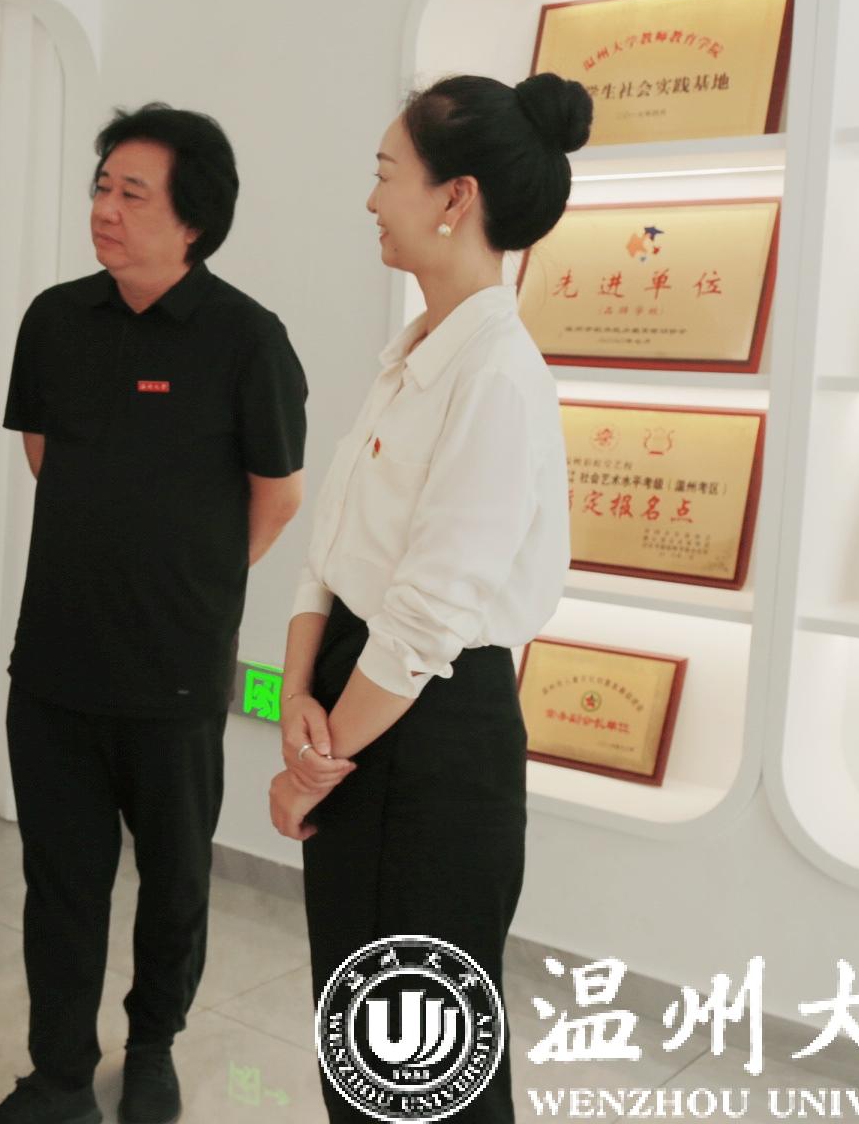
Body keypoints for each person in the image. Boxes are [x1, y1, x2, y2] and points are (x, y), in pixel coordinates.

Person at [0, 106, 307, 1124]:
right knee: (60, 884)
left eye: (132, 194)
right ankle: (59, 1076)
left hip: (175, 672)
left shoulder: (246, 338)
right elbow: (46, 453)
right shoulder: (54, 319)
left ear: (193, 220)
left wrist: (190, 582)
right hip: (56, 665)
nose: (105, 209)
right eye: (101, 187)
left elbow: (277, 494)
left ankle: (154, 1040)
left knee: (173, 881)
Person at [269, 73, 588, 1124]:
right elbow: (331, 552)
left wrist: (312, 766)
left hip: (432, 733)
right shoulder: (413, 351)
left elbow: (426, 618)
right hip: (361, 703)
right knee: (364, 1053)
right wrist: (296, 695)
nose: (370, 199)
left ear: (455, 197)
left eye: (385, 174)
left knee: (422, 1068)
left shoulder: (496, 373)